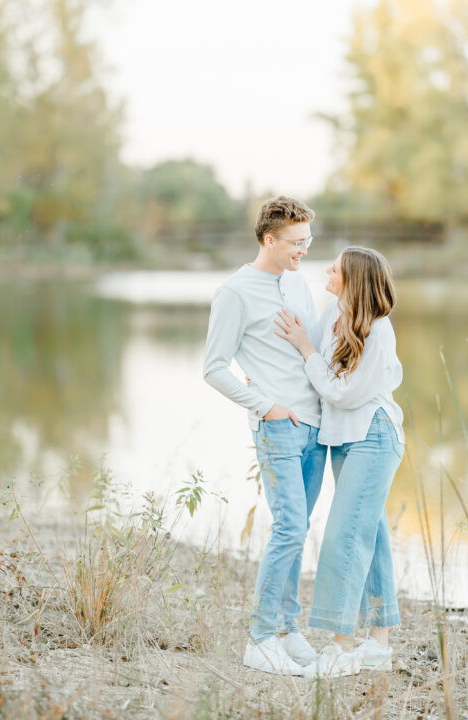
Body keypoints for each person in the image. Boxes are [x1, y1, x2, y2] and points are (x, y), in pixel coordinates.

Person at [202, 196, 327, 676]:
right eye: (296, 242)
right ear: (269, 239)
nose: (304, 250)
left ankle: (288, 630)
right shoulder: (234, 292)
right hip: (277, 427)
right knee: (290, 526)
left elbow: (307, 344)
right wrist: (267, 407)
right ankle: (259, 639)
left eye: (308, 241)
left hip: (317, 425)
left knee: (298, 531)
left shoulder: (298, 283)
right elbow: (214, 368)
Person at [273, 246, 404, 678]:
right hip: (344, 440)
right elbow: (300, 352)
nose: (327, 270)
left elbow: (341, 391)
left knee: (345, 536)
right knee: (373, 533)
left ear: (355, 280)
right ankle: (379, 642)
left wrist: (307, 348)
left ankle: (340, 645)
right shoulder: (332, 311)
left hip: (373, 436)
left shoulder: (379, 331)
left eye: (337, 268)